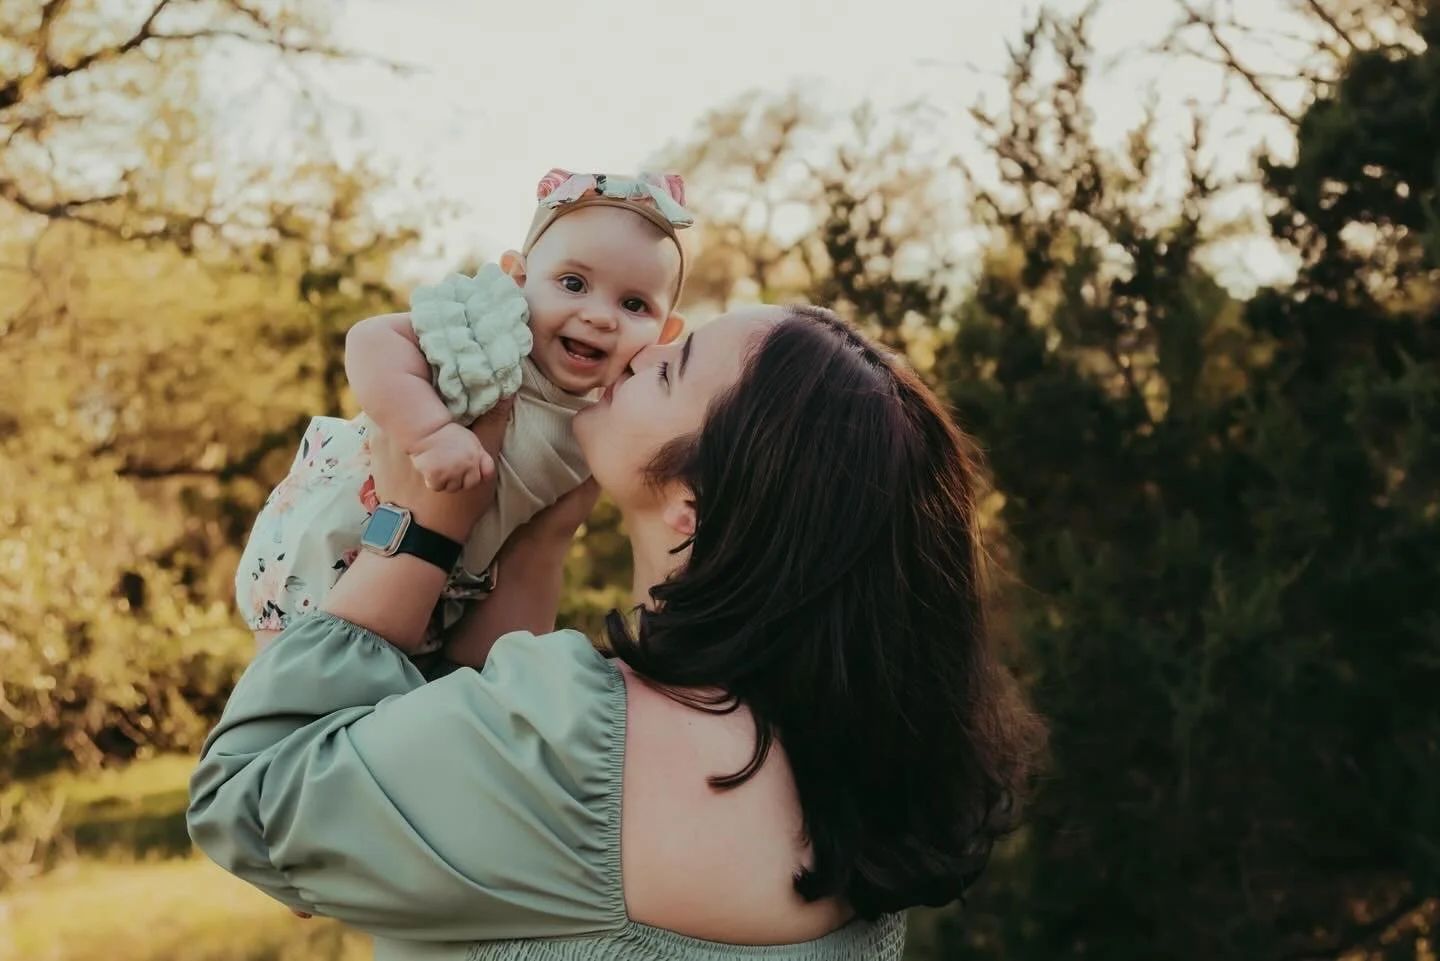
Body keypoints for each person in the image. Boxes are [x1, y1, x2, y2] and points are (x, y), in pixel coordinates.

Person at [188, 304, 1048, 960]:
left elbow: (249, 799)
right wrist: (537, 541)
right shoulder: (857, 763)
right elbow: (462, 771)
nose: (638, 348)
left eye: (671, 369)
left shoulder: (581, 746)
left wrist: (417, 530)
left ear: (694, 506)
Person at [232, 169, 690, 663]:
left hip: (437, 593)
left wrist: (505, 674)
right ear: (518, 278)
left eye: (634, 304)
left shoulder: (601, 426)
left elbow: (534, 563)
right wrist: (429, 432)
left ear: (666, 334)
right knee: (295, 670)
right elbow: (372, 340)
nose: (600, 316)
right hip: (337, 530)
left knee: (380, 689)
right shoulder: (487, 328)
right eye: (573, 283)